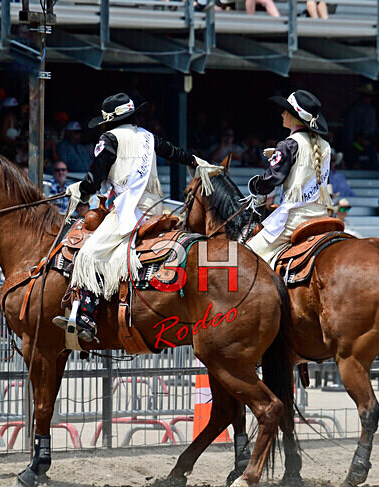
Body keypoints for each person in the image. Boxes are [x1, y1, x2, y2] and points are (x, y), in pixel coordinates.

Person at [52, 92, 215, 340]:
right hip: (154, 209)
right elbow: (174, 152)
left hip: (128, 208)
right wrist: (195, 161)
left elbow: (95, 177)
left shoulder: (109, 138)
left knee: (89, 253)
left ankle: (86, 316)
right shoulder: (148, 137)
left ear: (108, 121)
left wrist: (81, 191)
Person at [242, 90, 331, 268]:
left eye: (286, 111)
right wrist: (279, 154)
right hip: (321, 215)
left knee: (244, 256)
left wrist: (256, 185)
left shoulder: (289, 144)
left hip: (295, 218)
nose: (282, 114)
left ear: (293, 116)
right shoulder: (325, 145)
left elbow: (272, 180)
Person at [344, 84, 379, 150]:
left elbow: (374, 127)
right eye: (367, 95)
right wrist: (353, 144)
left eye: (371, 96)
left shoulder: (371, 110)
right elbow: (350, 129)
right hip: (358, 142)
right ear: (362, 95)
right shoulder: (355, 109)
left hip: (370, 142)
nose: (369, 98)